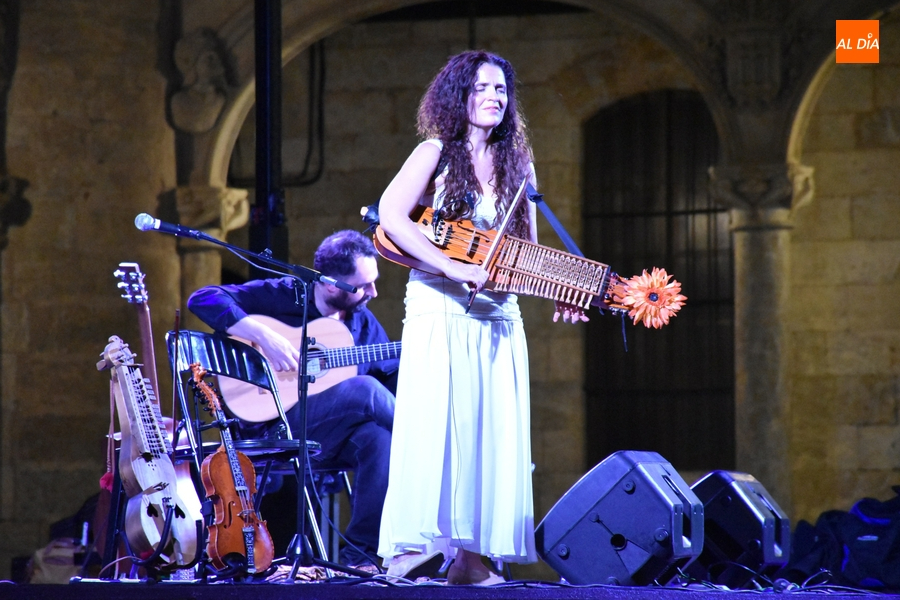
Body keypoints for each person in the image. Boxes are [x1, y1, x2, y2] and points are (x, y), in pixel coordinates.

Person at [376, 50, 586, 586]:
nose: (493, 97)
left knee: (488, 430)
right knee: (439, 424)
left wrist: (561, 289)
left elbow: (528, 253)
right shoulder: (435, 153)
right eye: (482, 88)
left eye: (501, 89)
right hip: (438, 303)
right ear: (458, 96)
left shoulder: (521, 162)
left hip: (498, 313)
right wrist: (450, 266)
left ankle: (471, 560)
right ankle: (412, 551)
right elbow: (391, 217)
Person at [187, 229, 398, 570]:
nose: (373, 292)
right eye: (363, 285)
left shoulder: (363, 324)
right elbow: (203, 298)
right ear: (331, 283)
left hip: (323, 435)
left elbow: (389, 376)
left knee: (379, 440)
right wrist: (263, 336)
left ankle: (361, 558)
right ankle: (430, 447)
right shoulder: (284, 295)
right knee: (364, 390)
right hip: (270, 425)